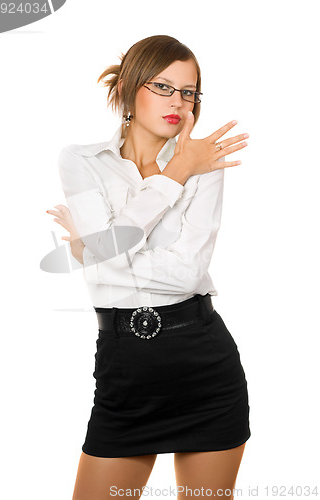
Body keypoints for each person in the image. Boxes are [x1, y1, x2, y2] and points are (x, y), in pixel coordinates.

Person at [47, 35, 251, 500]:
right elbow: (116, 257)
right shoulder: (82, 160)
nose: (178, 101)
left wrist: (93, 252)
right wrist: (175, 174)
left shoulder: (207, 164)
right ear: (130, 88)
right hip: (125, 371)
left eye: (189, 91)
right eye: (163, 86)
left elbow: (187, 272)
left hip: (205, 366)